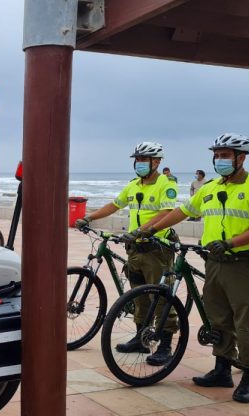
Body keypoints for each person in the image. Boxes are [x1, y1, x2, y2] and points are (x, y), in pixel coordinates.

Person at [135, 133, 249, 404]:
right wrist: (150, 229)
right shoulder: (209, 189)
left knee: (248, 321)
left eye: (226, 155)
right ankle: (222, 369)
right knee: (218, 319)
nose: (220, 160)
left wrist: (230, 242)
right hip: (215, 263)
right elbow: (182, 211)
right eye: (218, 155)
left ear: (241, 158)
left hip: (245, 264)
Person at [75, 141, 179, 366]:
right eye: (138, 159)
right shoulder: (133, 185)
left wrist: (141, 231)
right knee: (138, 296)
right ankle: (140, 337)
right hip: (136, 248)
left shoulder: (165, 184)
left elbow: (167, 211)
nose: (140, 163)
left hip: (157, 248)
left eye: (145, 160)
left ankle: (166, 345)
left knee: (160, 297)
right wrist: (89, 217)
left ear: (157, 162)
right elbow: (115, 205)